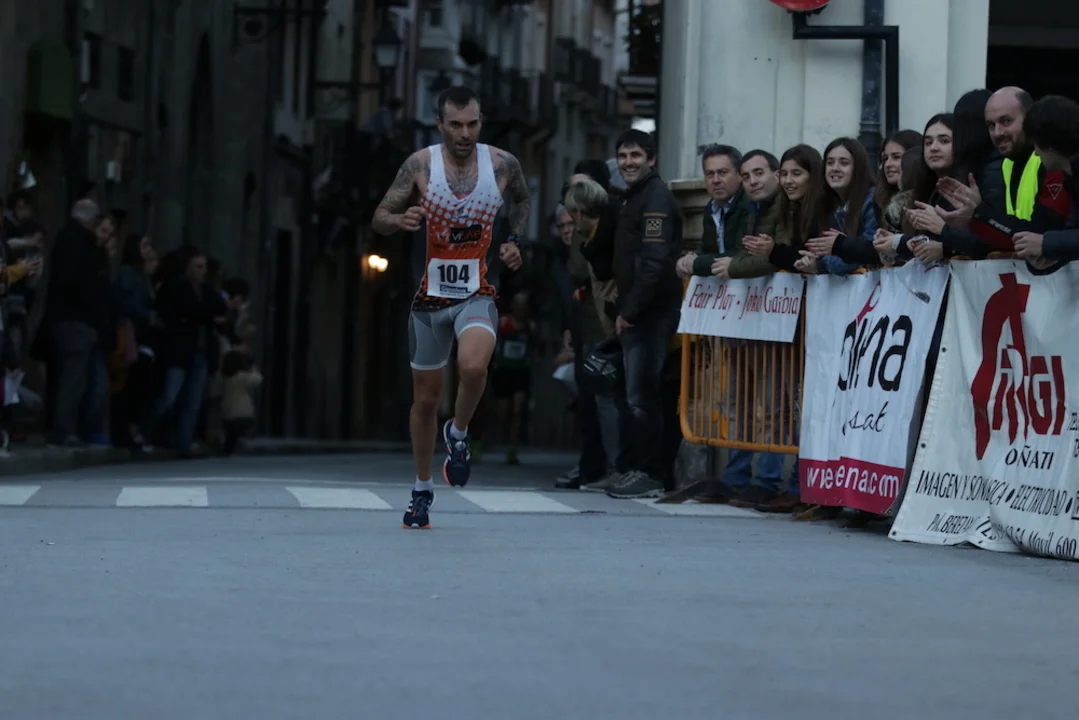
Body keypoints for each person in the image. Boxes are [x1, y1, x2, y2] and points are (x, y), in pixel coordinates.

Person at [372, 85, 527, 529]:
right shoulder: (420, 165)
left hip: (478, 292)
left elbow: (521, 199)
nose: (464, 133)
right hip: (428, 300)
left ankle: (458, 432)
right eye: (455, 125)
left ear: (481, 122)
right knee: (425, 401)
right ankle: (421, 489)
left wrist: (514, 240)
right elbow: (379, 216)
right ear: (439, 123)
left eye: (472, 124)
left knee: (474, 366)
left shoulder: (502, 164)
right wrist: (399, 219)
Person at [604, 129, 683, 500]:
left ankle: (651, 473)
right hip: (641, 310)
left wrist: (631, 311)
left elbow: (653, 262)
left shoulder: (655, 198)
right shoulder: (635, 196)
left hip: (652, 311)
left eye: (635, 155)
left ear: (651, 159)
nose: (628, 162)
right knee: (639, 396)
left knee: (643, 398)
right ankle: (642, 468)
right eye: (623, 156)